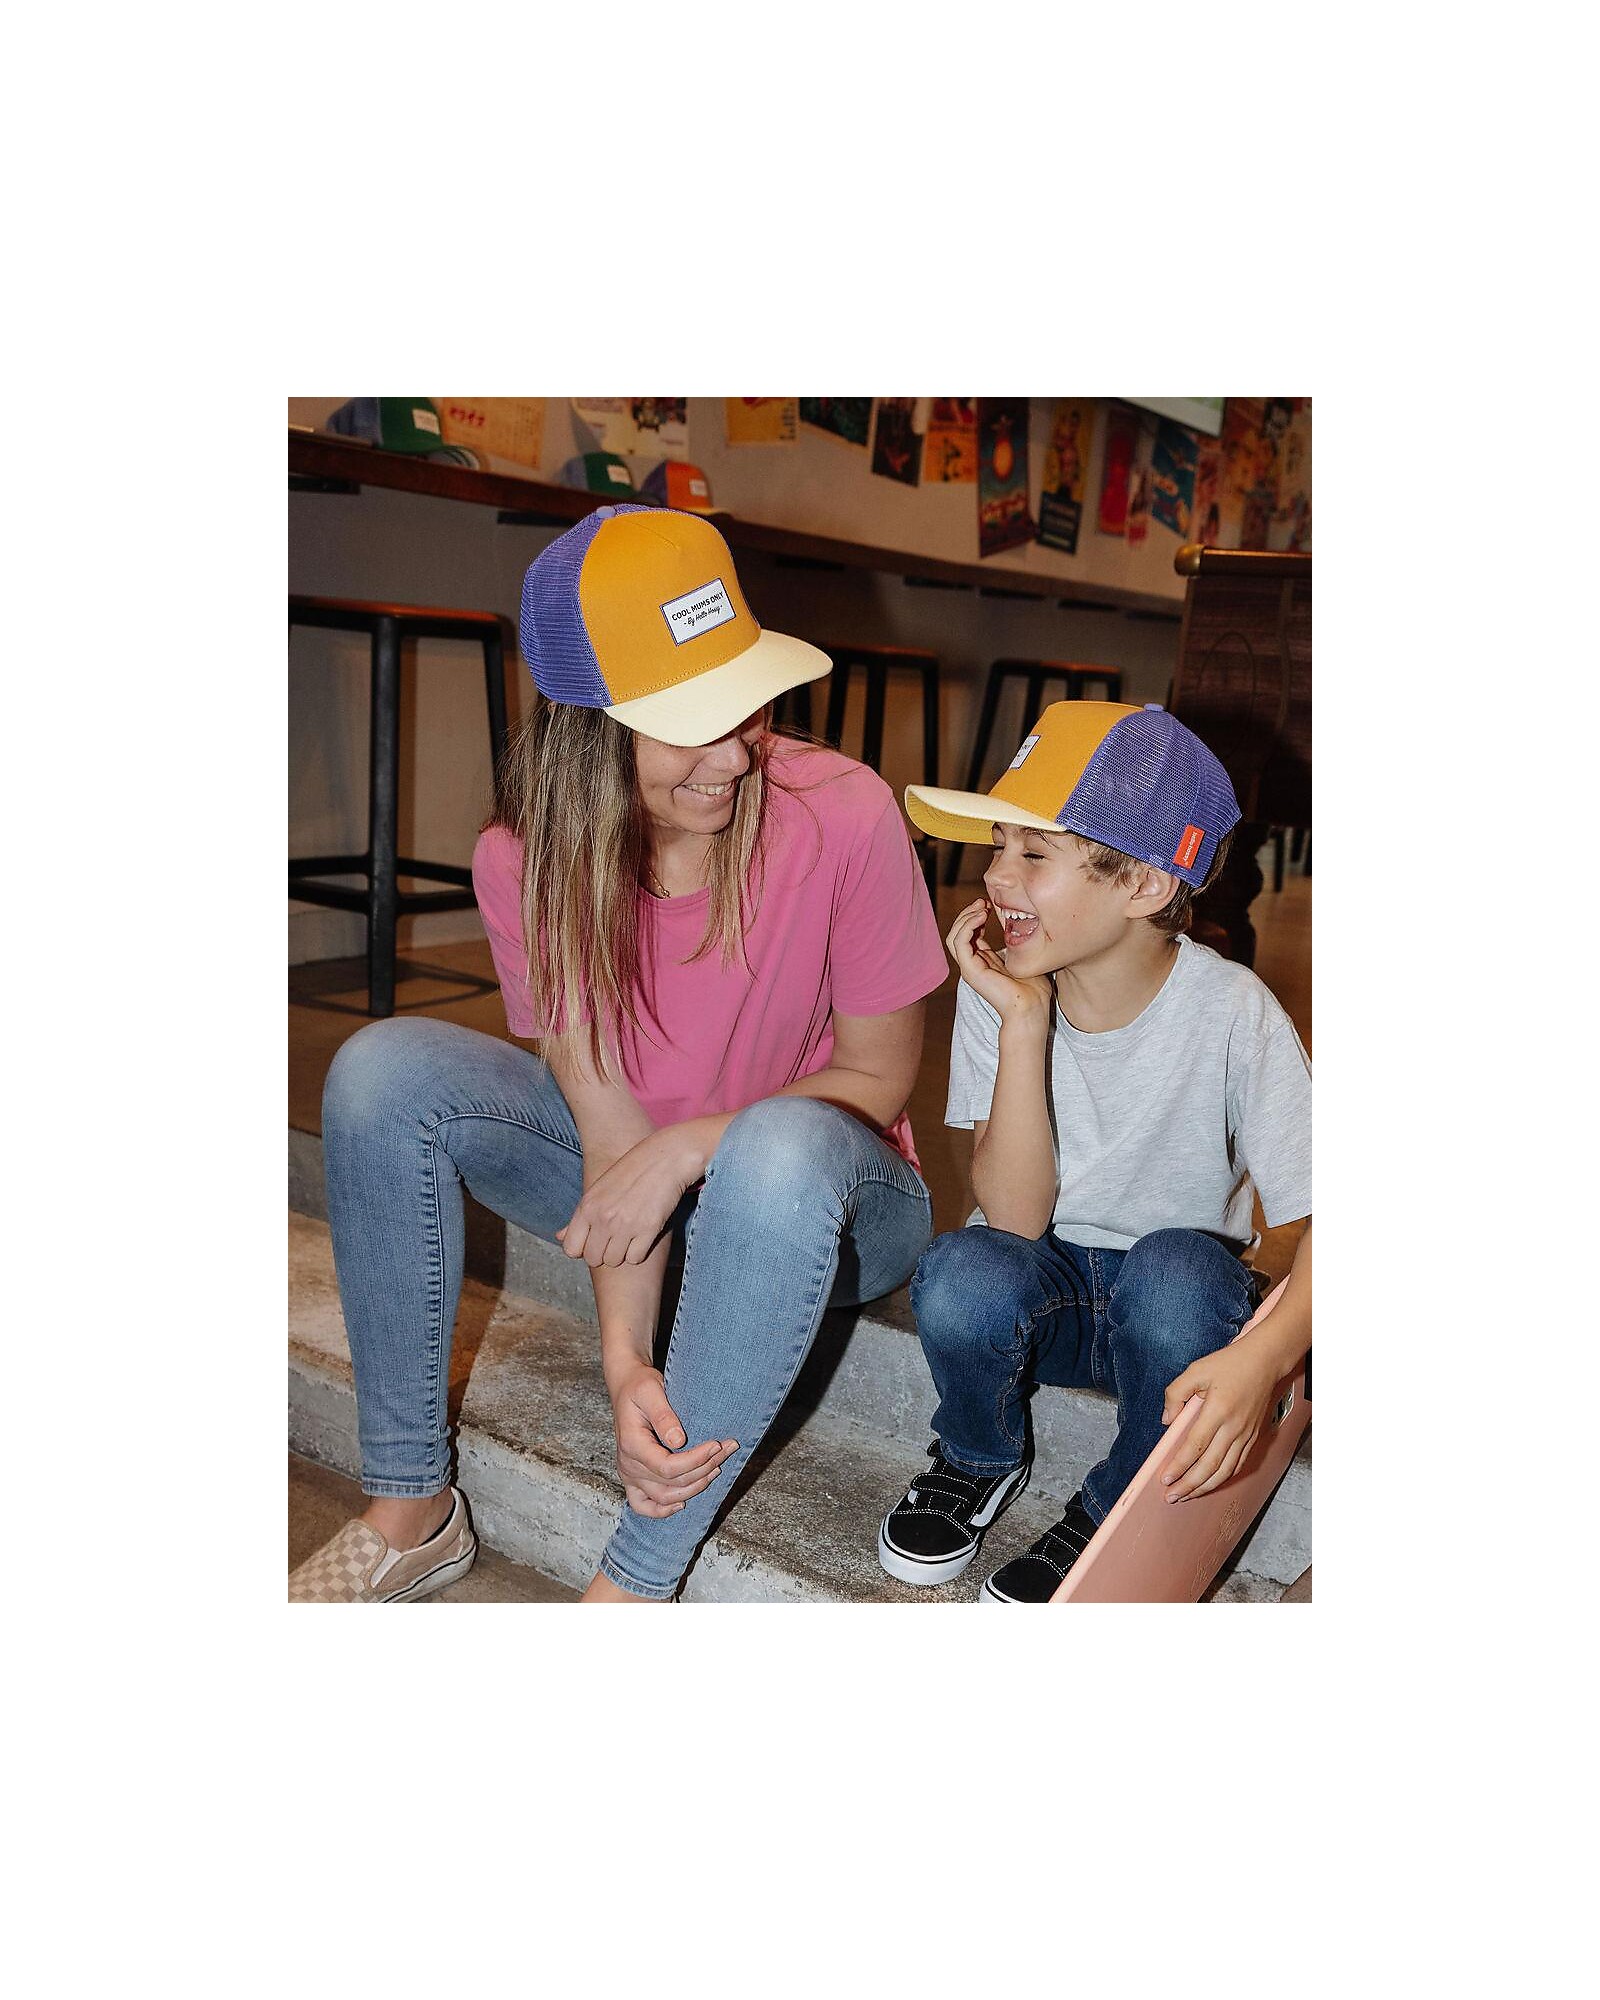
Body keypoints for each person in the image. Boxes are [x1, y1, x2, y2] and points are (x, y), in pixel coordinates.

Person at [289, 503, 947, 1603]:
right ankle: (411, 1505)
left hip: (834, 1204)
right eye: (692, 723)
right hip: (642, 1190)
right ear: (587, 732)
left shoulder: (844, 811)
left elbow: (877, 1077)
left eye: (745, 704)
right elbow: (608, 1135)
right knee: (383, 1072)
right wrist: (625, 1358)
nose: (735, 753)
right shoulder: (521, 860)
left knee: (778, 1147)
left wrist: (690, 1148)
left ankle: (633, 1586)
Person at [874, 700, 1311, 1603]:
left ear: (1145, 885)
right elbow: (1016, 1217)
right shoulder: (1006, 994)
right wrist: (1023, 1026)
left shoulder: (1234, 1012)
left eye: (1034, 854)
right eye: (999, 845)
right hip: (1053, 1298)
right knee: (961, 1269)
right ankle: (977, 1458)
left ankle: (1113, 1506)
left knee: (1177, 1271)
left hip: (1179, 1320)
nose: (996, 875)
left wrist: (1267, 1357)